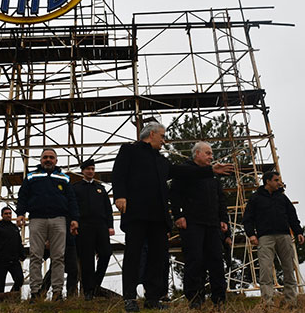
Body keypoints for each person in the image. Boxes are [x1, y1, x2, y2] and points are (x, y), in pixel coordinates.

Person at [112, 122, 233, 312]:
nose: (164, 140)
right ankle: (129, 297)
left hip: (159, 216)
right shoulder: (129, 150)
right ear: (151, 134)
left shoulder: (161, 160)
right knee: (134, 255)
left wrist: (210, 171)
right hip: (136, 212)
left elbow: (181, 171)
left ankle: (153, 297)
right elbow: (118, 173)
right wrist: (120, 195)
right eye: (162, 136)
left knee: (158, 257)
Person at [16, 148, 80, 301]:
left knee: (58, 257)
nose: (48, 160)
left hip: (59, 220)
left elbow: (71, 199)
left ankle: (57, 292)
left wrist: (74, 218)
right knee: (36, 256)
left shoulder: (64, 178)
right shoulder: (31, 176)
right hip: (37, 219)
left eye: (51, 157)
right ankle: (35, 292)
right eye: (45, 157)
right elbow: (23, 196)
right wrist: (20, 213)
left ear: (56, 161)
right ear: (40, 160)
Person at [170, 141, 228, 309]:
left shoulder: (213, 174)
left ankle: (219, 298)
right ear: (196, 154)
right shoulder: (185, 171)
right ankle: (195, 297)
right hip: (192, 223)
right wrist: (178, 215)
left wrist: (223, 219)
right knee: (195, 260)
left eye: (211, 153)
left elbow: (220, 198)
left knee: (216, 259)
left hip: (212, 224)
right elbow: (174, 195)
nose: (211, 156)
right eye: (208, 153)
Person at [242, 171, 305, 307]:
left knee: (289, 269)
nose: (279, 183)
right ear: (267, 181)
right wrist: (251, 234)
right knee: (265, 271)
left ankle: (291, 302)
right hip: (265, 238)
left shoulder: (282, 198)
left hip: (284, 236)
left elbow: (292, 216)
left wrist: (298, 232)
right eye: (276, 180)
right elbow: (247, 219)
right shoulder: (256, 198)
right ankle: (267, 304)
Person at [72, 159, 114, 300]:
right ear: (82, 171)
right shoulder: (76, 188)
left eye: (92, 169)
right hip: (84, 226)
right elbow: (73, 208)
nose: (90, 171)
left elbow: (108, 209)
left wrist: (110, 226)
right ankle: (88, 291)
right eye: (88, 169)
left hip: (101, 226)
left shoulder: (100, 188)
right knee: (87, 259)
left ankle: (96, 284)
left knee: (106, 253)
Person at [0, 206, 25, 293]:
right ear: (2, 215)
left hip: (14, 260)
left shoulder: (14, 228)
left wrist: (22, 254)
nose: (8, 215)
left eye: (10, 213)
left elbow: (18, 242)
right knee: (0, 284)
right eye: (6, 214)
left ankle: (10, 296)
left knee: (20, 279)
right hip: (1, 260)